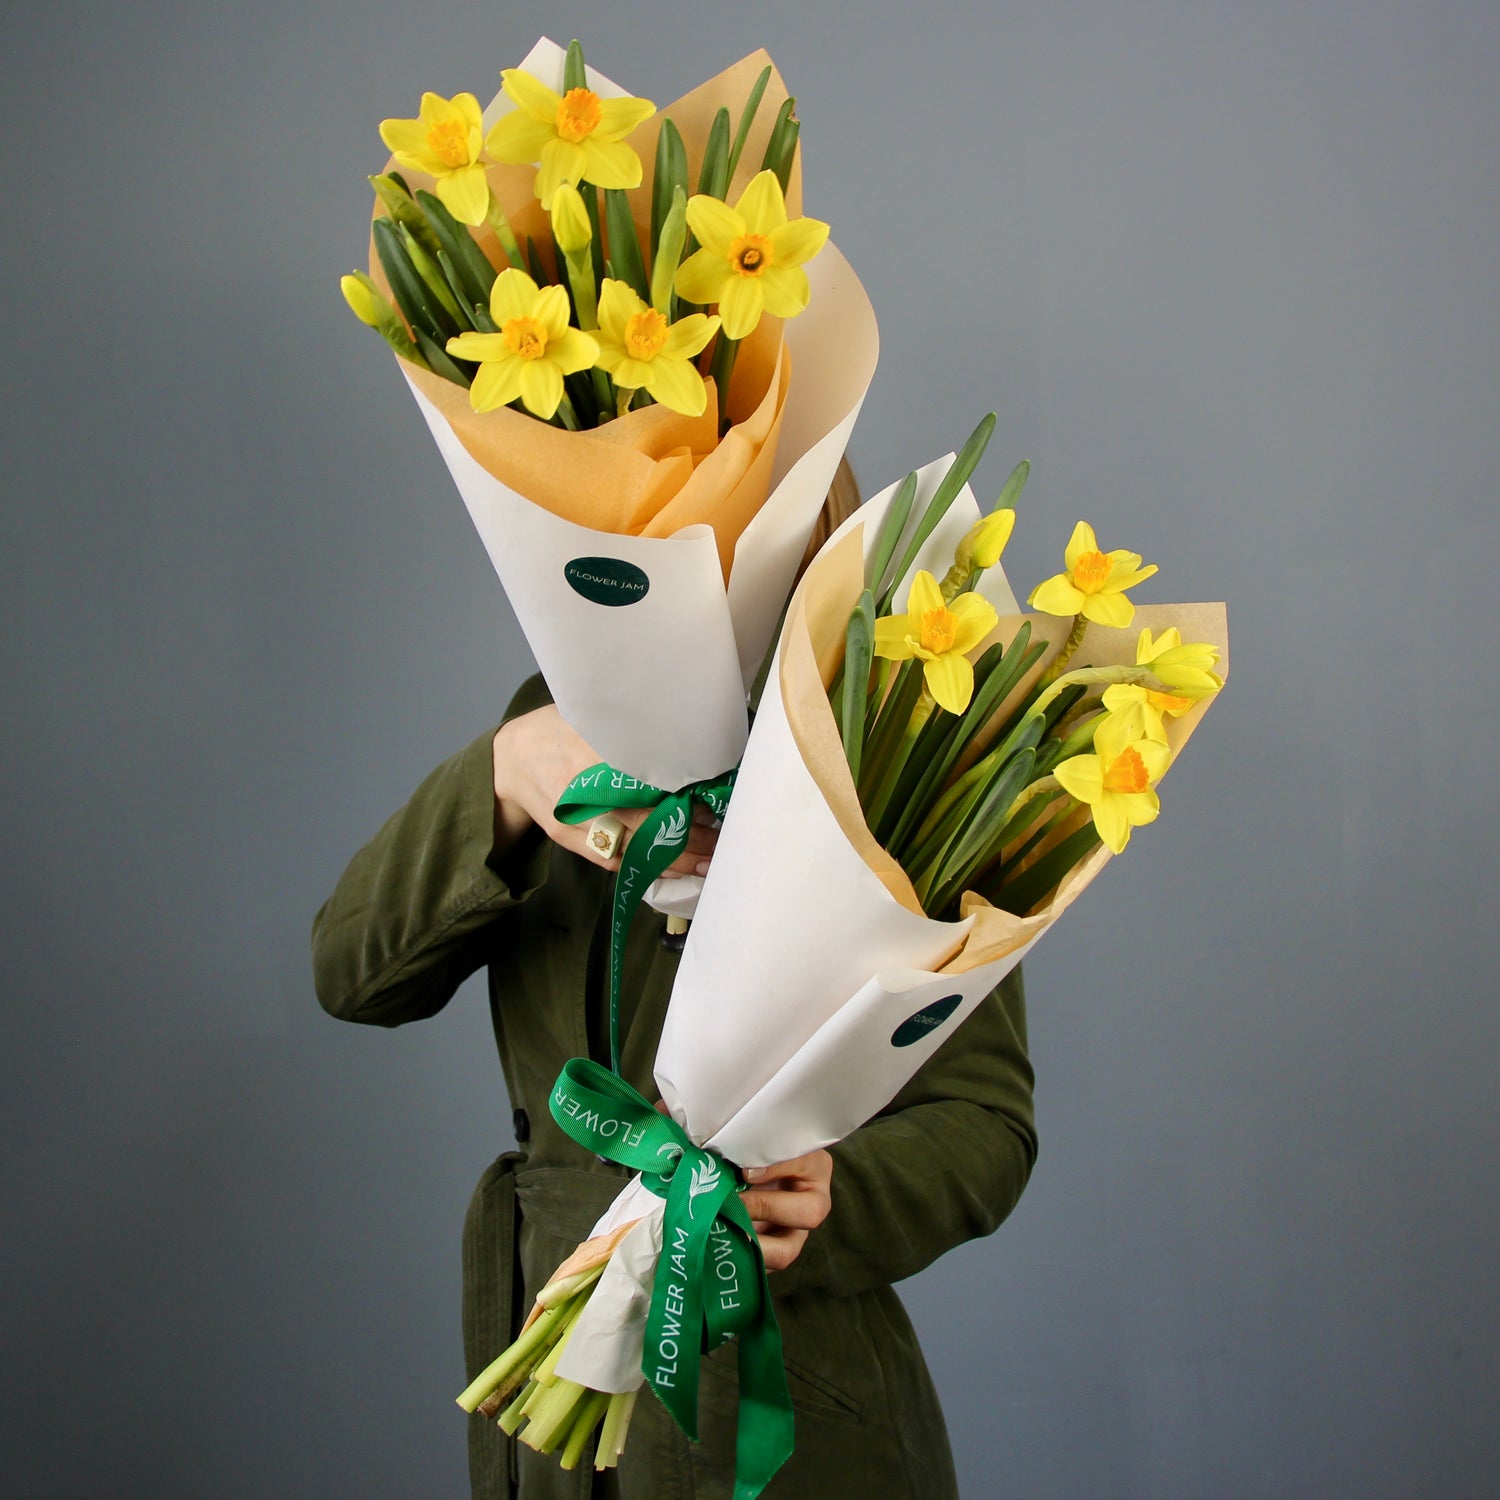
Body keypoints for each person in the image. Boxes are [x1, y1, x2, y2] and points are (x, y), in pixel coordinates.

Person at [311, 461, 1038, 1499]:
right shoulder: (553, 732)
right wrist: (506, 774)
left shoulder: (903, 762)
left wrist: (834, 1198)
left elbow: (985, 1123)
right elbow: (352, 972)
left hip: (786, 1394)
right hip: (553, 1391)